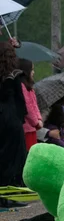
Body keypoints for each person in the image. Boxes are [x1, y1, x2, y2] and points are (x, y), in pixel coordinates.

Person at [0, 42, 27, 188]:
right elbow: (20, 99)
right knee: (15, 156)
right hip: (12, 117)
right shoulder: (14, 74)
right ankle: (12, 191)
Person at [18, 59, 42, 152]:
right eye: (32, 70)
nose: (33, 72)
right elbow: (28, 107)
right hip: (27, 128)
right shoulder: (22, 87)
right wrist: (36, 122)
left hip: (32, 128)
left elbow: (35, 105)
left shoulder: (30, 88)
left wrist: (39, 119)